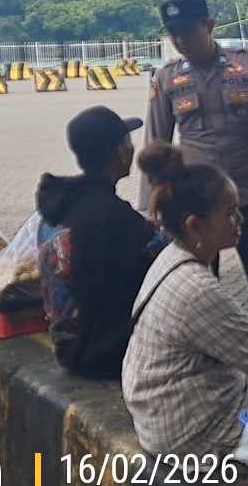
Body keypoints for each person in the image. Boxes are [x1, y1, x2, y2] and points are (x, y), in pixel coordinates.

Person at [124, 142, 248, 458]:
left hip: (163, 409)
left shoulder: (171, 256)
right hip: (193, 432)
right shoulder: (196, 289)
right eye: (229, 213)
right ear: (195, 225)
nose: (240, 220)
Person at [142, 0, 248, 332]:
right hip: (194, 203)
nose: (181, 40)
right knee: (198, 288)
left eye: (188, 31)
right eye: (173, 33)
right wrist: (152, 208)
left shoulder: (247, 65)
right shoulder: (166, 77)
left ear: (209, 25)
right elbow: (155, 144)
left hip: (247, 197)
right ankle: (207, 357)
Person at [36, 106, 164, 379]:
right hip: (102, 353)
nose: (132, 149)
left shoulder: (63, 204)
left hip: (71, 346)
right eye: (127, 143)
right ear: (119, 152)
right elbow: (162, 259)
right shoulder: (111, 215)